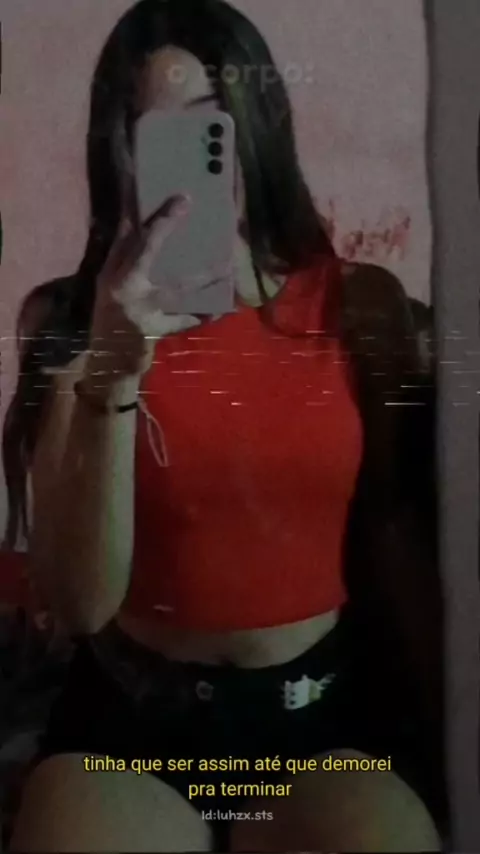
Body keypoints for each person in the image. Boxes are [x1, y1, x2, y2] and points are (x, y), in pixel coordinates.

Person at [3, 0, 445, 850]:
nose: (192, 158)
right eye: (156, 132)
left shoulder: (361, 309)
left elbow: (398, 536)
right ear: (119, 149)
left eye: (211, 125)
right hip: (132, 726)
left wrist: (440, 718)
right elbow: (78, 603)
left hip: (315, 721)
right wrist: (113, 368)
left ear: (257, 124)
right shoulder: (70, 322)